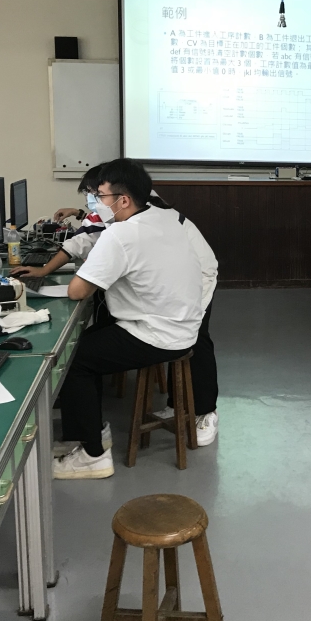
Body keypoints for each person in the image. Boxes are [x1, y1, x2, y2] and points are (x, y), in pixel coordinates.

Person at [52, 160, 203, 480]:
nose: (96, 203)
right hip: (183, 325)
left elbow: (77, 291)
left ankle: (93, 455)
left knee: (74, 359)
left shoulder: (121, 234)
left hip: (157, 333)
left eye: (100, 196)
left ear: (123, 200)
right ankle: (92, 431)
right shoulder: (161, 217)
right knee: (87, 342)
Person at [146, 193, 221, 446]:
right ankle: (178, 404)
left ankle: (206, 411)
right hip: (173, 280)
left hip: (198, 277)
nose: (97, 201)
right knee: (173, 338)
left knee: (196, 338)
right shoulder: (134, 209)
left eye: (99, 194)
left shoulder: (153, 214)